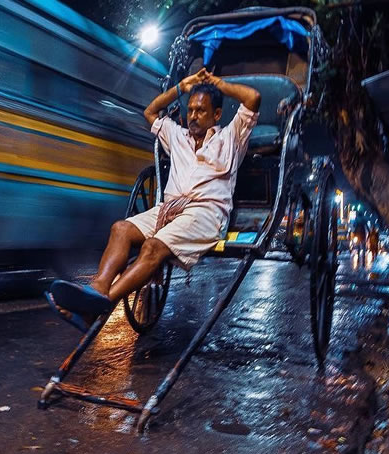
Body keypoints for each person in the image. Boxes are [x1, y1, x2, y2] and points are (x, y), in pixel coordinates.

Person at [48, 68, 262, 331]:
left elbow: (253, 98)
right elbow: (150, 112)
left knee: (152, 247)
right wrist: (181, 88)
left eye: (201, 111)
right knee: (121, 228)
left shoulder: (231, 138)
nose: (193, 116)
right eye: (191, 110)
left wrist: (217, 83)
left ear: (217, 115)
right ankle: (97, 289)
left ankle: (100, 305)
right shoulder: (177, 135)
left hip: (206, 214)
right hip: (168, 210)